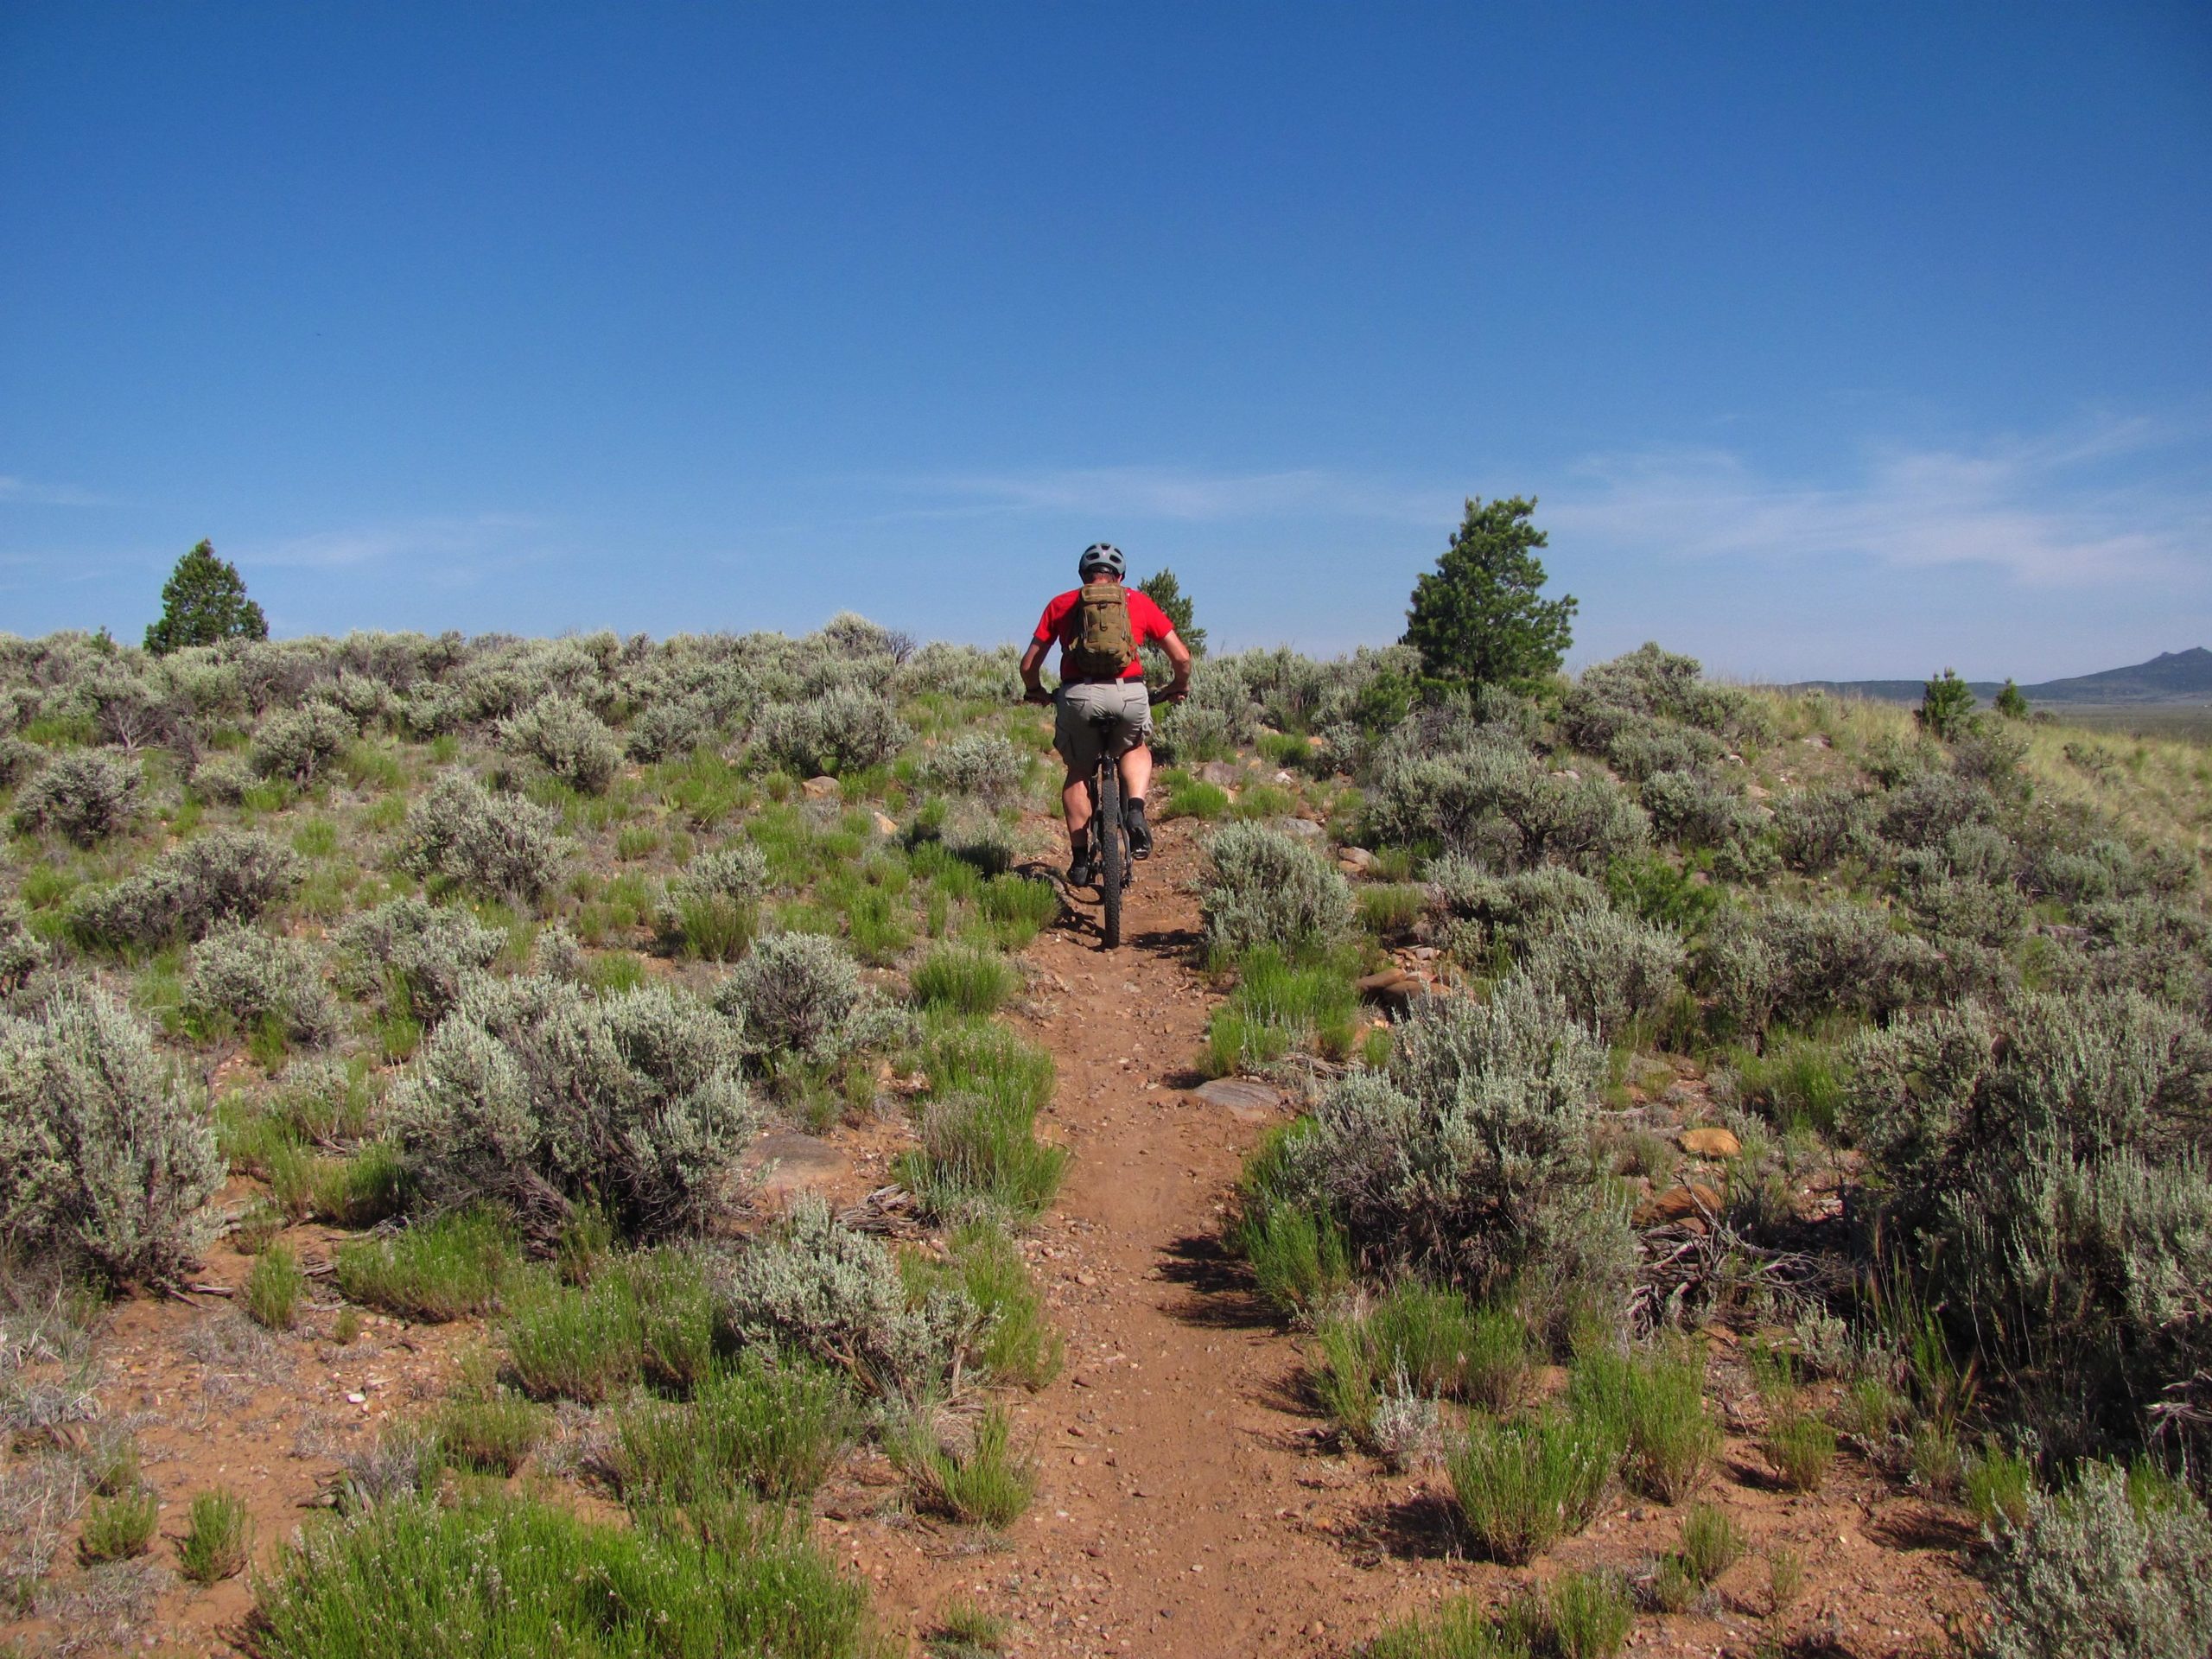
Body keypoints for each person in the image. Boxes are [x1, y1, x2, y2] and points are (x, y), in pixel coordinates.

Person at [1020, 543, 1192, 885]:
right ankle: (1135, 810)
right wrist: (1178, 685)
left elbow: (1029, 665)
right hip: (1128, 693)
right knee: (1133, 747)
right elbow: (1183, 658)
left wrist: (1036, 690)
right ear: (1120, 576)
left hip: (1077, 695)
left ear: (1083, 576)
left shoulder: (1061, 604)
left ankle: (1081, 858)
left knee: (1079, 771)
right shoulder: (1137, 601)